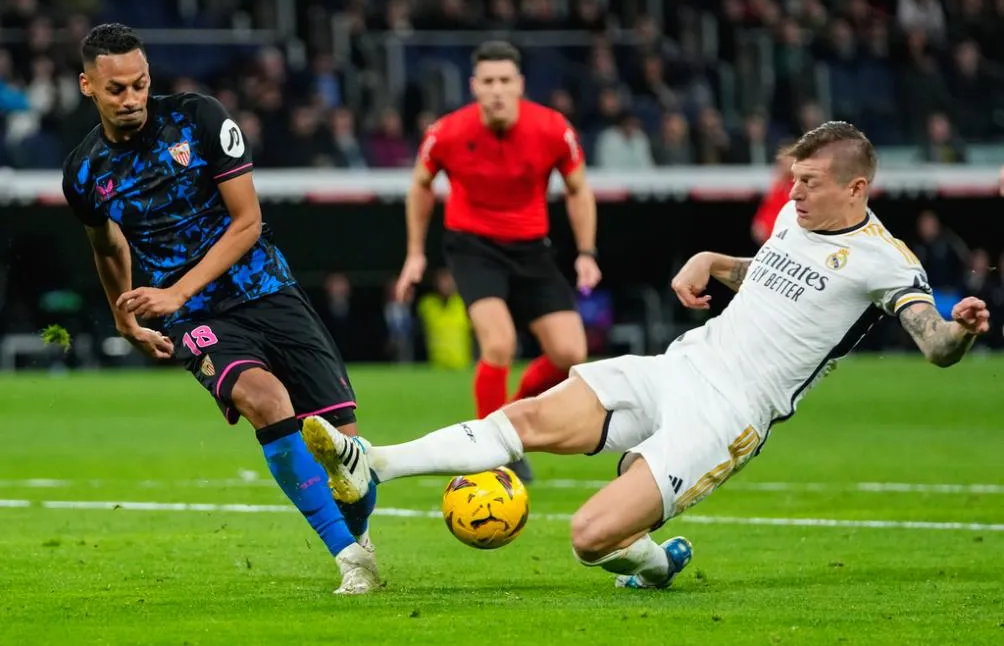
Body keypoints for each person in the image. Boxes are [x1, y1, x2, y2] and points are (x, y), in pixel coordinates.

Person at [306, 121, 990, 589]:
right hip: (679, 364)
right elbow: (771, 271)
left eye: (809, 181)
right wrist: (712, 260)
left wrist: (959, 329)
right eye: (794, 178)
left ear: (857, 189)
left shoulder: (884, 260)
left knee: (588, 536)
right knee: (529, 418)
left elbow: (933, 343)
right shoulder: (793, 218)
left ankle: (655, 564)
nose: (794, 193)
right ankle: (374, 464)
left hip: (729, 414)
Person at [61, 23, 379, 595]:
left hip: (265, 288)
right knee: (264, 400)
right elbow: (107, 247)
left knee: (347, 454)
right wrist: (123, 317)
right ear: (88, 86)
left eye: (139, 85)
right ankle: (350, 562)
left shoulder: (199, 119)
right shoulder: (85, 172)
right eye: (116, 90)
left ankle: (356, 531)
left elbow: (247, 222)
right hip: (194, 317)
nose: (130, 98)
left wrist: (175, 291)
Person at [388, 40, 602, 483]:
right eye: (488, 82)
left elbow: (579, 189)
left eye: (506, 81)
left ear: (520, 84)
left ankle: (506, 420)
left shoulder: (552, 129)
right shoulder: (446, 132)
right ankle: (491, 453)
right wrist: (414, 254)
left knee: (569, 352)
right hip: (473, 248)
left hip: (532, 248)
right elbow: (420, 186)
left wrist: (586, 252)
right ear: (474, 87)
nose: (498, 90)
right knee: (499, 344)